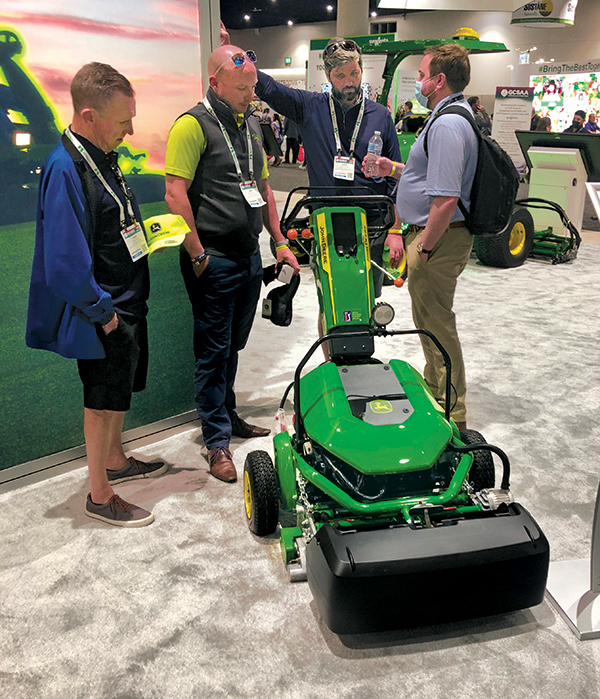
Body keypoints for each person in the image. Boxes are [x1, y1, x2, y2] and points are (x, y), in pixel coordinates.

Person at [26, 62, 166, 527]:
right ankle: (99, 494)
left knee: (118, 392)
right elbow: (62, 263)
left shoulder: (103, 154)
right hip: (104, 309)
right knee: (101, 399)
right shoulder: (66, 165)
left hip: (126, 300)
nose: (131, 129)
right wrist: (103, 314)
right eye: (123, 120)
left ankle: (115, 462)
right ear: (88, 115)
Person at [164, 44, 299, 483]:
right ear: (215, 82)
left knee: (234, 345)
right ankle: (216, 440)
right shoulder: (192, 125)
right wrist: (197, 252)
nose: (250, 94)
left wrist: (278, 239)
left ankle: (229, 414)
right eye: (241, 88)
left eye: (253, 86)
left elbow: (263, 185)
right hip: (213, 259)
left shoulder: (252, 125)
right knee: (212, 350)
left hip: (247, 255)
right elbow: (174, 193)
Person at [363, 44, 478, 431]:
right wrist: (390, 167)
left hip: (439, 240)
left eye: (423, 73)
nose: (419, 81)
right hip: (434, 237)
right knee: (429, 320)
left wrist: (424, 248)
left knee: (437, 323)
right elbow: (427, 179)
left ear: (438, 81)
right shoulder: (445, 117)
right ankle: (437, 389)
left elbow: (445, 200)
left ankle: (452, 412)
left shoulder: (446, 124)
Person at [254, 37, 402, 298]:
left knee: (367, 298)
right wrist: (238, 60)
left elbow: (396, 180)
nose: (349, 82)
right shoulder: (310, 107)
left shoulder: (381, 115)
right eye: (340, 75)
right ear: (328, 75)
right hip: (327, 222)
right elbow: (271, 89)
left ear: (361, 69)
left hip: (373, 222)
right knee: (331, 298)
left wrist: (395, 230)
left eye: (354, 73)